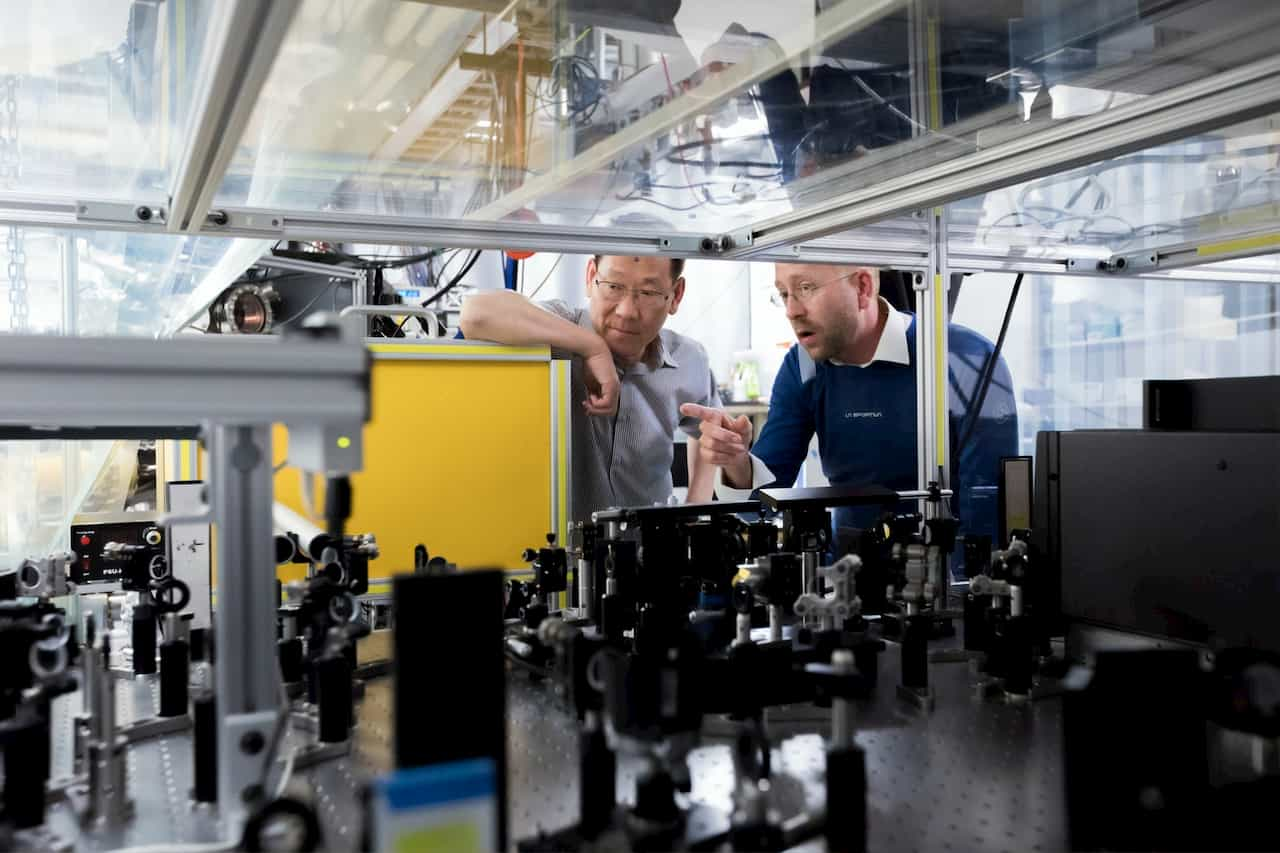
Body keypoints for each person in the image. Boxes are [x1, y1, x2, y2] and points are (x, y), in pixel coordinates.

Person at [682, 263, 1017, 572]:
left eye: (807, 288)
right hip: (849, 581)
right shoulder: (803, 367)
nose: (792, 310)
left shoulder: (965, 359)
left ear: (863, 287)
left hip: (944, 583)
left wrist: (958, 601)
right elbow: (766, 496)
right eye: (783, 293)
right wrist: (737, 463)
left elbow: (986, 505)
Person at [460, 255, 719, 521]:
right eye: (613, 286)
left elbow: (710, 431)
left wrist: (696, 507)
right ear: (590, 276)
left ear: (675, 295)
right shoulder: (556, 328)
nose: (627, 311)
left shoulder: (690, 358)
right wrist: (592, 348)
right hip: (563, 548)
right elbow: (474, 314)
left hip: (651, 547)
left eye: (648, 292)